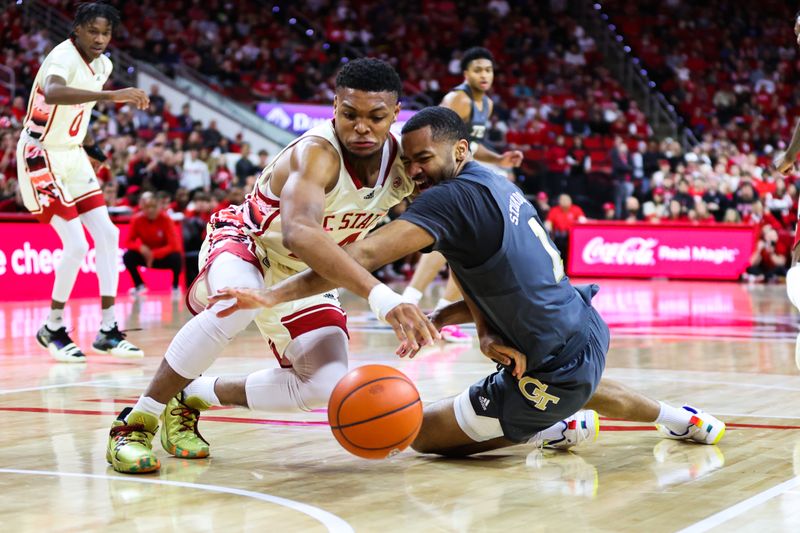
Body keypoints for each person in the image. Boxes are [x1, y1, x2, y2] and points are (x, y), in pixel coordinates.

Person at [214, 107, 726, 456]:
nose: (413, 171)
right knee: (582, 385)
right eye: (408, 161)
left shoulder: (447, 200)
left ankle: (549, 422)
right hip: (584, 327)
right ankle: (679, 418)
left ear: (459, 150)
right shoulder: (490, 180)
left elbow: (359, 255)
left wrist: (273, 294)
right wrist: (478, 327)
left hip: (548, 366)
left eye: (423, 160)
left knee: (408, 431)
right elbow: (472, 263)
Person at [104, 58, 435, 474]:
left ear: (396, 114)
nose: (362, 127)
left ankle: (192, 396)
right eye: (350, 114)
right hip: (248, 243)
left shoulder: (406, 162)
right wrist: (382, 296)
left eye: (376, 117)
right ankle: (135, 424)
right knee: (236, 305)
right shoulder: (316, 154)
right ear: (334, 107)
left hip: (307, 275)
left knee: (325, 383)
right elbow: (299, 232)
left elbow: (457, 193)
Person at [17, 2, 147, 362]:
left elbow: (79, 113)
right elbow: (55, 92)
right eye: (93, 31)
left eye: (106, 33)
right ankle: (52, 326)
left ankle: (107, 329)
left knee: (108, 235)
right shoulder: (61, 57)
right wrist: (111, 96)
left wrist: (95, 149)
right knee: (75, 244)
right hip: (40, 152)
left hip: (73, 153)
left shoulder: (102, 65)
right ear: (77, 29)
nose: (100, 39)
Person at [402, 47, 524, 344]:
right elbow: (440, 140)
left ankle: (434, 310)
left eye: (489, 70)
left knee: (456, 246)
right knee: (449, 243)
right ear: (466, 73)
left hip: (465, 173)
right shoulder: (458, 99)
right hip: (450, 176)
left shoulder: (488, 105)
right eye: (478, 70)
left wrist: (499, 159)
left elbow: (470, 145)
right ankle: (413, 301)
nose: (484, 75)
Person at [123, 195, 182, 298]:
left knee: (177, 257)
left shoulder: (166, 219)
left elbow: (174, 245)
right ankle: (139, 285)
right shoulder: (137, 220)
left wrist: (153, 254)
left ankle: (175, 285)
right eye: (147, 206)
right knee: (128, 256)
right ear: (142, 207)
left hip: (162, 256)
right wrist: (140, 248)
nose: (150, 210)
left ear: (159, 207)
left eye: (153, 206)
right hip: (146, 256)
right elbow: (127, 242)